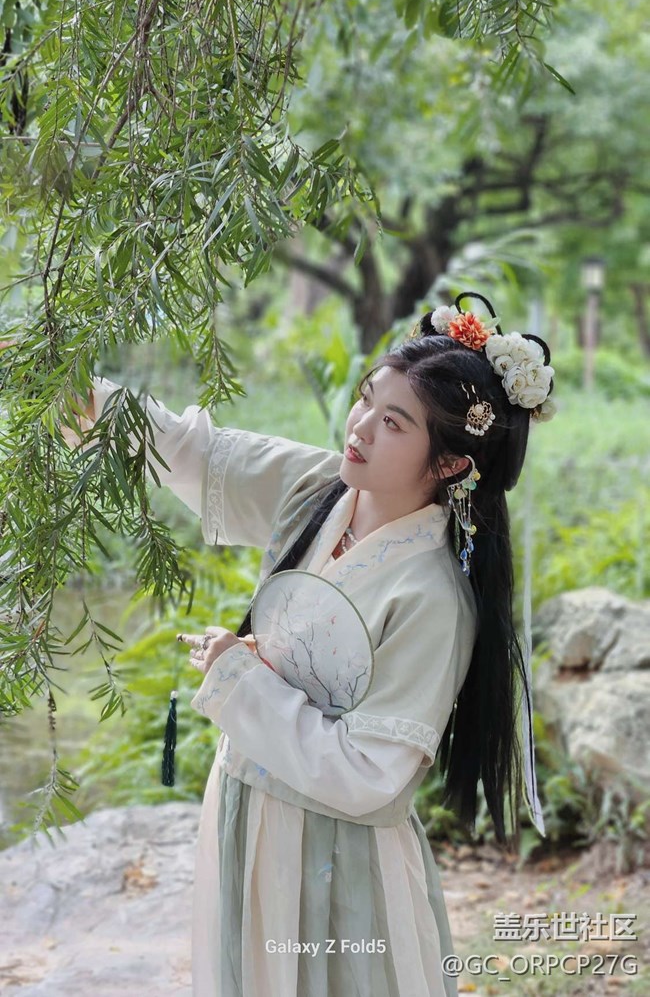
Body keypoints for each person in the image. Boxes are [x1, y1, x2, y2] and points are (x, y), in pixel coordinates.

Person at [61, 293, 555, 997]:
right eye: (366, 400)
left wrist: (240, 679)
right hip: (246, 808)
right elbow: (198, 454)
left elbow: (370, 774)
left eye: (393, 422)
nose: (360, 428)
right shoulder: (318, 489)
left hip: (339, 852)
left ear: (449, 463)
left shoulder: (433, 597)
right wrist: (82, 395)